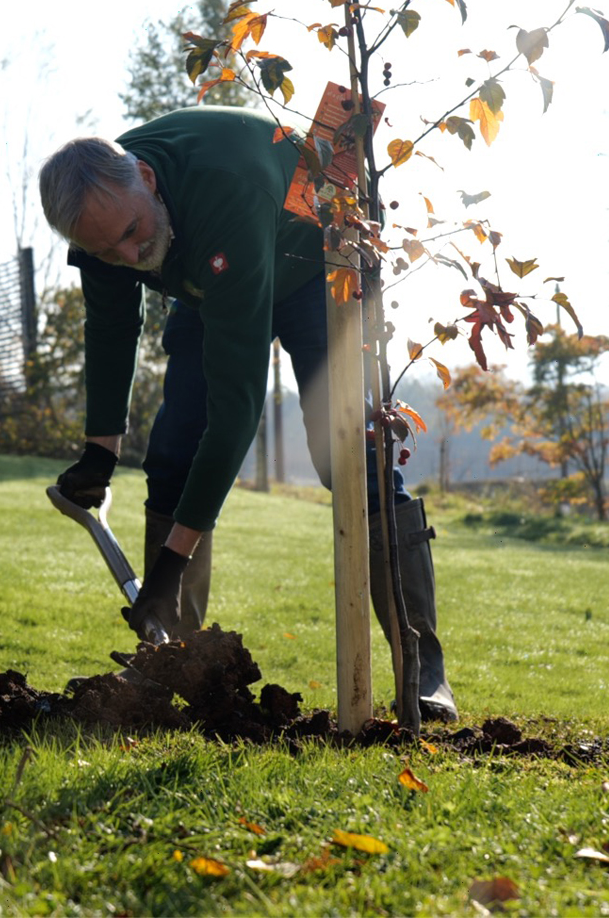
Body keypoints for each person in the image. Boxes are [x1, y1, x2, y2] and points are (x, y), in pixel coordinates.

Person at [39, 105, 457, 722]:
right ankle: (170, 662)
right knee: (173, 455)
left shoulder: (221, 194)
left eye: (132, 234)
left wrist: (168, 567)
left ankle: (422, 674)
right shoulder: (105, 221)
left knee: (348, 458)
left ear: (149, 179)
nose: (129, 256)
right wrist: (100, 451)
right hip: (211, 272)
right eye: (109, 251)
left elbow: (234, 416)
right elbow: (109, 326)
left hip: (308, 261)